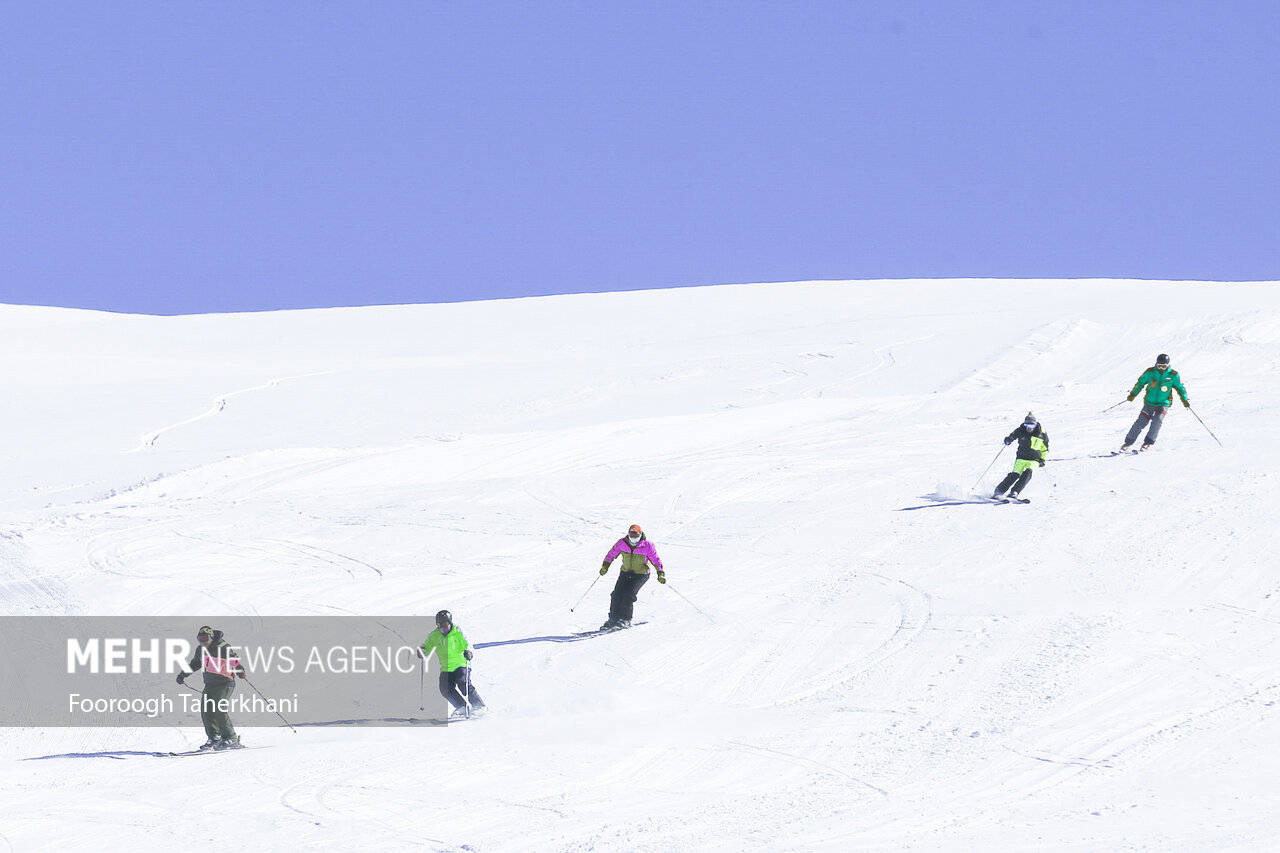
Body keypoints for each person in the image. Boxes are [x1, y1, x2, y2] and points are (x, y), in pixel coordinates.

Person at [176, 625, 245, 750]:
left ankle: (230, 738)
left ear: (211, 638)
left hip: (225, 683)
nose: (202, 642)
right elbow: (195, 664)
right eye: (199, 639)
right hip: (210, 684)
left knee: (219, 709)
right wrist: (182, 674)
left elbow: (234, 661)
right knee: (206, 711)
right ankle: (214, 737)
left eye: (204, 638)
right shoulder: (201, 650)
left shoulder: (223, 648)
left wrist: (240, 670)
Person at [418, 610, 485, 718]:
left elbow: (467, 643)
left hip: (461, 663)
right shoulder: (434, 635)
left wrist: (469, 651)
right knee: (444, 688)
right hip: (446, 667)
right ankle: (461, 707)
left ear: (450, 623)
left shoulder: (457, 631)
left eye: (445, 624)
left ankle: (480, 706)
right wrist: (423, 650)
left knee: (463, 683)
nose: (442, 628)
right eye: (439, 625)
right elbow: (427, 645)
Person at [598, 524, 665, 630]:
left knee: (628, 594)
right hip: (625, 573)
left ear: (640, 534)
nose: (633, 537)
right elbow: (611, 554)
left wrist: (660, 573)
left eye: (636, 534)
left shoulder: (647, 545)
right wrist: (605, 566)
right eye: (631, 534)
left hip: (641, 574)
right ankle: (613, 619)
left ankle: (625, 619)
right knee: (616, 594)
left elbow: (655, 560)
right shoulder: (622, 543)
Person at [1122, 353, 1190, 451]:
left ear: (1168, 365)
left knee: (1157, 420)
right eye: (1159, 366)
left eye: (1164, 366)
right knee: (1140, 422)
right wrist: (1133, 394)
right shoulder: (1150, 372)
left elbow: (1180, 388)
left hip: (1164, 403)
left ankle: (1147, 442)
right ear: (1156, 364)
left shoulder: (1173, 375)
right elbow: (1140, 383)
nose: (1161, 368)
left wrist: (1184, 400)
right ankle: (1127, 443)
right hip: (1149, 402)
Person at [993, 412, 1048, 501]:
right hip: (1021, 457)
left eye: (1032, 426)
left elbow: (1044, 448)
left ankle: (1015, 492)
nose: (1029, 428)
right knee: (1014, 475)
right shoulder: (1021, 430)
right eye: (1027, 425)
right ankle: (999, 491)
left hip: (1034, 460)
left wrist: (1043, 459)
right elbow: (1012, 436)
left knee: (1027, 473)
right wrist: (1008, 440)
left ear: (1035, 424)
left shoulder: (1041, 434)